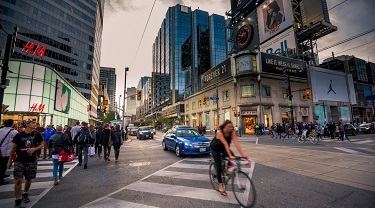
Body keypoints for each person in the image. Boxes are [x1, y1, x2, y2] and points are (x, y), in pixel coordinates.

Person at [7, 119, 44, 208]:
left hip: (31, 160)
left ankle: (25, 193)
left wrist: (34, 149)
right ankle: (17, 200)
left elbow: (42, 144)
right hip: (20, 160)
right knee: (18, 180)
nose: (35, 124)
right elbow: (13, 149)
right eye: (33, 123)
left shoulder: (37, 134)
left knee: (28, 178)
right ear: (27, 125)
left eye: (35, 123)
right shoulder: (19, 135)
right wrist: (9, 161)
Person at [210, 120, 248, 197]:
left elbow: (237, 143)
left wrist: (243, 155)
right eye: (229, 127)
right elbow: (225, 144)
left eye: (232, 127)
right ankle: (220, 186)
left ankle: (227, 170)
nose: (231, 128)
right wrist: (230, 156)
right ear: (224, 127)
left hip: (223, 148)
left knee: (233, 156)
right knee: (219, 166)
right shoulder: (219, 132)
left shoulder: (232, 132)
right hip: (215, 148)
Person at [0, 119, 18, 185]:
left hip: (0, 150)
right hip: (7, 151)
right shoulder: (14, 132)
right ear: (12, 124)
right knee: (4, 165)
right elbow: (17, 140)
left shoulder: (0, 130)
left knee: (2, 164)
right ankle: (1, 179)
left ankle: (2, 175)